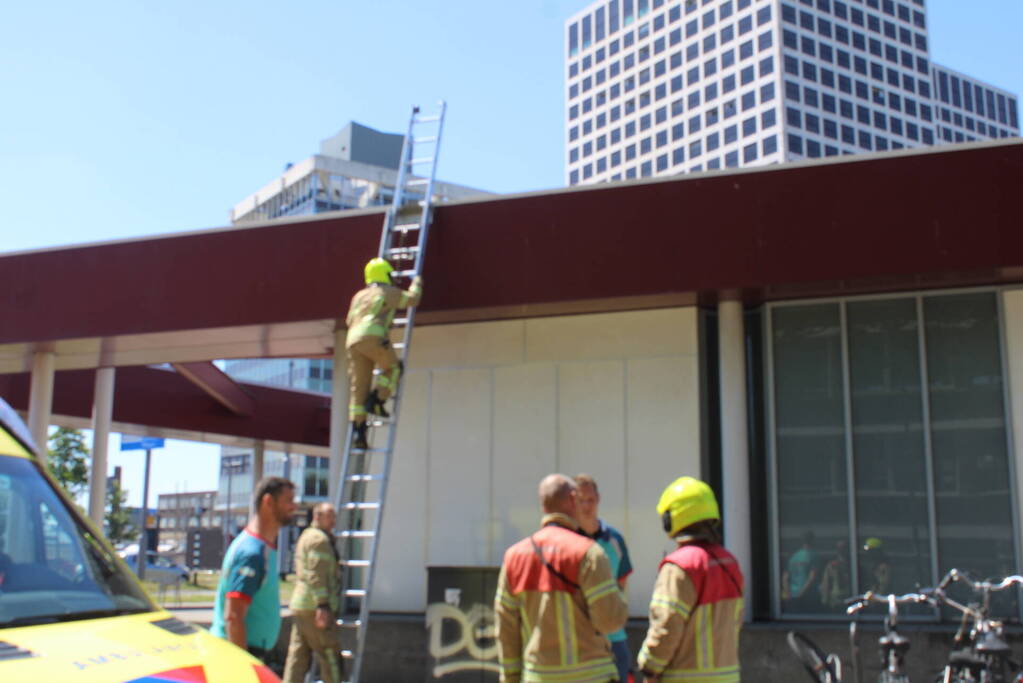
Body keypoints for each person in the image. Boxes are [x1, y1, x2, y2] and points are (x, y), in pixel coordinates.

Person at [495, 474, 628, 683]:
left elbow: (506, 628)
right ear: (573, 499)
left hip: (538, 676)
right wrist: (618, 598)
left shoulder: (514, 557)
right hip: (590, 676)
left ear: (543, 506)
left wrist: (511, 677)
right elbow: (610, 621)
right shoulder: (589, 553)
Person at [637, 477, 743, 683]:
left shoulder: (680, 566)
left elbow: (666, 625)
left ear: (670, 519)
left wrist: (649, 667)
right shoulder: (729, 563)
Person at [211, 476, 297, 663]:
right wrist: (245, 670)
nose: (294, 507)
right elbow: (233, 617)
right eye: (288, 501)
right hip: (241, 656)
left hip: (249, 652)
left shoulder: (262, 548)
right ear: (268, 502)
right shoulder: (252, 553)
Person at [346, 257, 422, 449]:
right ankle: (377, 399)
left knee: (358, 389)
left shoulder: (358, 296)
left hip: (352, 341)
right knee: (394, 368)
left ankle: (359, 433)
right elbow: (412, 299)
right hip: (374, 337)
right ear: (385, 274)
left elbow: (349, 320)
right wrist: (417, 281)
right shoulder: (387, 292)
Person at [575, 473, 634, 683]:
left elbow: (621, 585)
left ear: (598, 500)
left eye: (590, 500)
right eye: (580, 501)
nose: (586, 506)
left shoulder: (615, 540)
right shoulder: (567, 542)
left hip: (614, 639)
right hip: (578, 640)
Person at [283, 503, 342, 683]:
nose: (333, 521)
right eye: (329, 516)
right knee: (330, 655)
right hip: (314, 607)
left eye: (334, 516)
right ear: (317, 517)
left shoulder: (306, 536)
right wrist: (322, 604)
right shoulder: (319, 540)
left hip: (301, 605)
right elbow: (317, 574)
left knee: (298, 656)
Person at [782, 531, 819, 612]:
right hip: (808, 596)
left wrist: (788, 593)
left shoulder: (794, 556)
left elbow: (785, 578)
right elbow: (812, 577)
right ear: (813, 540)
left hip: (792, 594)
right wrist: (801, 594)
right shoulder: (814, 555)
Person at [818, 539, 850, 610]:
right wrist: (825, 600)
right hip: (836, 599)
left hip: (851, 597)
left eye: (844, 547)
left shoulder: (854, 564)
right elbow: (826, 583)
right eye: (840, 548)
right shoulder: (832, 565)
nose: (842, 550)